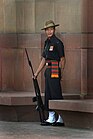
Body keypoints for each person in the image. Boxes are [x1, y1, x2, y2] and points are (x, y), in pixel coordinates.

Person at [34, 20, 66, 126]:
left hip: (55, 68)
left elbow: (62, 59)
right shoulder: (47, 43)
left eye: (51, 29)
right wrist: (36, 73)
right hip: (48, 70)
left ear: (54, 30)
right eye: (47, 30)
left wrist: (62, 73)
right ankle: (51, 116)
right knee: (48, 93)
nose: (49, 31)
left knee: (56, 92)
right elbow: (44, 59)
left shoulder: (57, 42)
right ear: (45, 31)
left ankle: (60, 117)